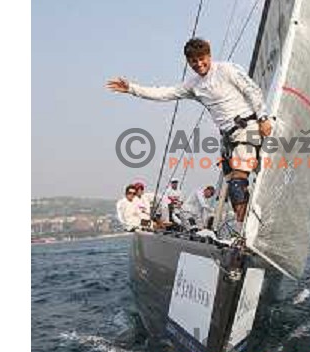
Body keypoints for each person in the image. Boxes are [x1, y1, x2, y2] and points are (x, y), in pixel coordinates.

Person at [106, 38, 272, 228]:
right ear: (188, 62)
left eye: (202, 59)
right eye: (194, 61)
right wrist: (132, 89)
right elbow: (165, 93)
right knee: (227, 188)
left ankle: (247, 231)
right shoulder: (193, 85)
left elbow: (252, 91)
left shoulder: (227, 70)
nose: (199, 64)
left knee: (237, 184)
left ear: (209, 55)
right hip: (228, 138)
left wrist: (263, 117)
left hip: (248, 129)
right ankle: (244, 228)